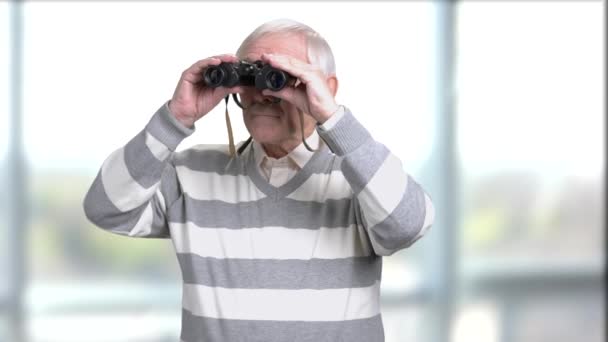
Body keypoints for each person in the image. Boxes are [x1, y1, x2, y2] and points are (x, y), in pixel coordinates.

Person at [83, 18, 435, 342]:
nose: (264, 92)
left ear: (326, 88)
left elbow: (407, 225)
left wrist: (333, 118)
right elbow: (106, 209)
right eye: (251, 76)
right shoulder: (190, 172)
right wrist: (175, 118)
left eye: (281, 77)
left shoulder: (360, 177)